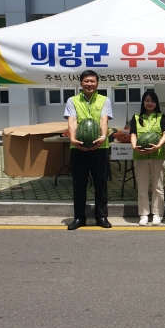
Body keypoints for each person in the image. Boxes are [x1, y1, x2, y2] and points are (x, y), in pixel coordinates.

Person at [64, 70, 113, 230]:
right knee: (79, 183)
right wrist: (72, 138)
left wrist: (104, 136)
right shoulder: (72, 100)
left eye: (92, 81)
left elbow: (103, 120)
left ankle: (101, 217)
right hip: (78, 146)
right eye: (86, 81)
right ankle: (79, 217)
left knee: (101, 183)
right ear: (81, 83)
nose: (89, 84)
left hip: (100, 146)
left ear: (97, 83)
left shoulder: (104, 100)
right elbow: (72, 121)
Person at [130, 90, 165, 226]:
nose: (150, 103)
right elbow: (133, 134)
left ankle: (157, 213)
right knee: (142, 186)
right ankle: (144, 214)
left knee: (158, 187)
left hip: (158, 155)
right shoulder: (136, 117)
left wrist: (158, 145)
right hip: (139, 156)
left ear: (156, 103)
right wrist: (135, 146)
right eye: (147, 100)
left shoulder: (161, 117)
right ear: (143, 102)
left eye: (152, 101)